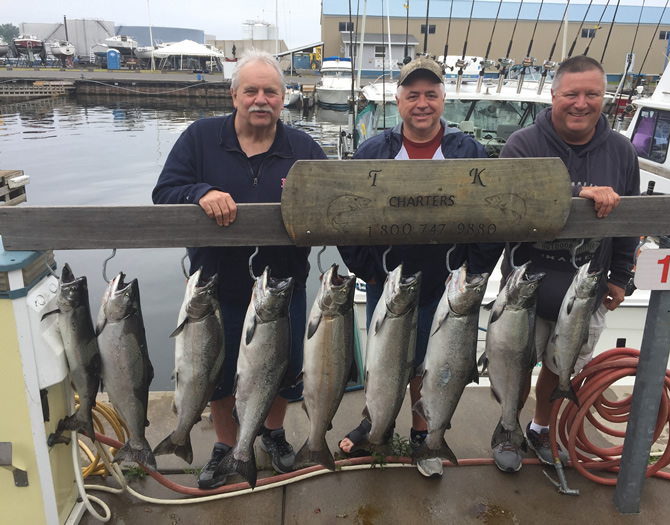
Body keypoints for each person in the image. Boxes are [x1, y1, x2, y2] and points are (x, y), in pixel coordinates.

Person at [152, 48, 327, 489]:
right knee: (217, 370)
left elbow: (332, 205)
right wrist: (199, 191)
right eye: (251, 90)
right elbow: (164, 191)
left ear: (283, 99)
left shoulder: (304, 149)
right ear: (234, 96)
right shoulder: (199, 138)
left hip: (282, 287)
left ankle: (271, 432)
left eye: (270, 91)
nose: (260, 99)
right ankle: (227, 446)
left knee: (280, 370)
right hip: (216, 288)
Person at [337, 56, 504, 478]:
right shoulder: (374, 151)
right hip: (388, 280)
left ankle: (423, 430)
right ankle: (375, 421)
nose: (423, 103)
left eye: (431, 94)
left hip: (446, 282)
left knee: (432, 362)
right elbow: (343, 213)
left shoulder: (470, 152)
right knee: (386, 358)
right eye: (414, 95)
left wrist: (473, 272)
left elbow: (495, 215)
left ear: (443, 98)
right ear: (399, 100)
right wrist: (366, 270)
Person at [493, 55, 640, 473]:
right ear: (553, 95)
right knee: (517, 364)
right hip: (526, 291)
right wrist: (580, 192)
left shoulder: (622, 151)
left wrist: (622, 276)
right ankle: (507, 427)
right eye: (571, 94)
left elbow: (632, 221)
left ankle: (540, 427)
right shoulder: (522, 144)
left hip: (587, 291)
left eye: (592, 94)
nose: (581, 103)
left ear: (604, 98)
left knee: (560, 369)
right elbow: (507, 203)